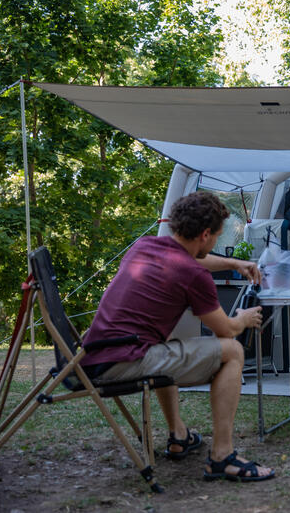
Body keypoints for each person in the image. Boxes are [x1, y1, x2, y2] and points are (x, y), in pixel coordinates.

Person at [80, 192, 275, 482]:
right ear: (205, 234)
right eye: (216, 238)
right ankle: (222, 457)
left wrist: (234, 264)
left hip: (92, 356)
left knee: (168, 345)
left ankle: (178, 435)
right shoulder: (192, 275)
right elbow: (225, 329)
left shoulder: (144, 246)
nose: (215, 244)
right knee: (232, 350)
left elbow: (191, 258)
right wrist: (243, 319)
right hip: (123, 362)